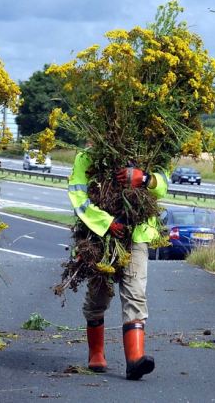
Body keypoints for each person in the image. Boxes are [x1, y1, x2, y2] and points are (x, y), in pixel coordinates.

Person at [67, 151, 168, 380]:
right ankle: (96, 353)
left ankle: (135, 360)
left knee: (135, 293)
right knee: (98, 295)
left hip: (137, 233)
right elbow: (78, 197)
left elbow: (162, 185)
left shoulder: (150, 147)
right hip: (98, 236)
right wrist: (106, 222)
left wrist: (143, 179)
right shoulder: (86, 156)